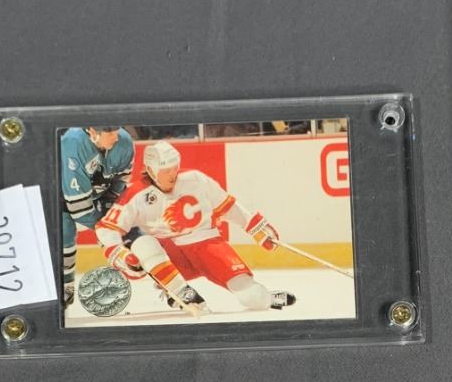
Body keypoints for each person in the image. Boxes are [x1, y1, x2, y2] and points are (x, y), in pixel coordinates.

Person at [94, 140, 295, 314]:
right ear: (151, 170)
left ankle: (265, 297)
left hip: (206, 243)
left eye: (175, 167)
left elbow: (227, 206)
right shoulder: (136, 194)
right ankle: (179, 291)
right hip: (170, 255)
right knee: (143, 243)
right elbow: (106, 227)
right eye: (166, 170)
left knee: (253, 296)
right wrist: (119, 253)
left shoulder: (195, 179)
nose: (172, 174)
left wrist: (255, 227)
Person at [59, 125, 134, 305]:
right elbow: (79, 209)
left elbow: (120, 183)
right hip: (62, 194)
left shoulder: (124, 141)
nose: (116, 137)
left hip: (99, 193)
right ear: (92, 132)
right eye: (110, 133)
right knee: (64, 232)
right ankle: (65, 286)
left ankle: (159, 271)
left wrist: (114, 214)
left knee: (132, 224)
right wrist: (106, 231)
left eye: (116, 131)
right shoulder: (73, 143)